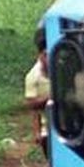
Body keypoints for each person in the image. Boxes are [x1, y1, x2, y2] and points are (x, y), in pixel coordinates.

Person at [24, 28, 51, 157]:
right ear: (40, 55)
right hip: (48, 127)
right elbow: (32, 106)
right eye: (45, 55)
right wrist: (37, 131)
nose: (48, 59)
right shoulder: (33, 77)